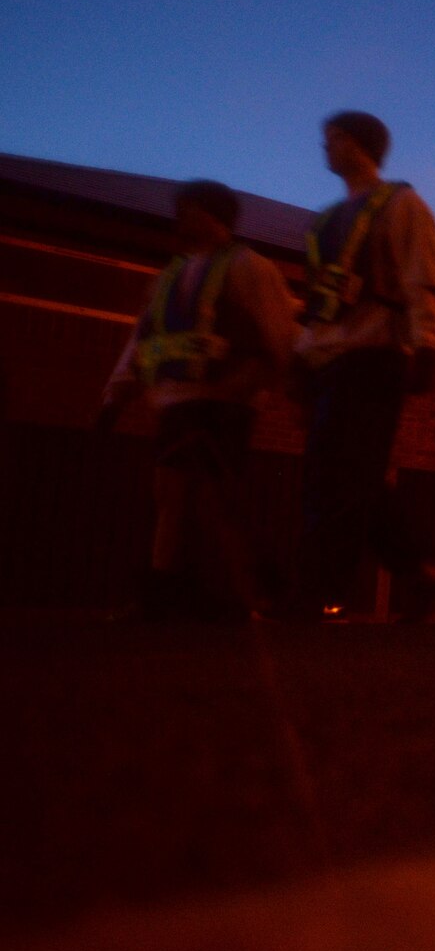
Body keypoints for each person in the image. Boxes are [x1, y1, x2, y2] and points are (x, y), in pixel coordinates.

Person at [98, 180, 297, 622]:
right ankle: (167, 589)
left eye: (191, 210)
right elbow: (142, 338)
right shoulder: (168, 277)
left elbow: (278, 334)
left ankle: (241, 592)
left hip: (225, 401)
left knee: (214, 497)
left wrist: (255, 385)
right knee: (170, 495)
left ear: (216, 217)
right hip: (176, 402)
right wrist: (117, 391)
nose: (181, 218)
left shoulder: (249, 267)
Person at [292, 111, 435, 622]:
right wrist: (304, 354)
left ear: (360, 145)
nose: (324, 147)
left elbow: (422, 278)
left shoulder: (403, 206)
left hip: (376, 358)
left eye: (333, 138)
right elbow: (319, 300)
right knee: (350, 476)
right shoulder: (323, 221)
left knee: (339, 478)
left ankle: (321, 590)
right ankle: (424, 572)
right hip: (332, 359)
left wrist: (427, 344)